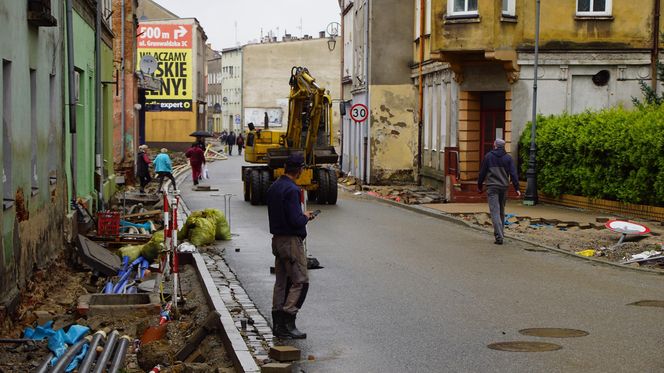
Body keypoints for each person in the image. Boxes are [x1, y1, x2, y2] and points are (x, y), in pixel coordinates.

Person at [266, 154, 316, 339]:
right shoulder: (292, 190)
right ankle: (289, 321)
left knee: (282, 282)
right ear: (300, 170)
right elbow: (295, 220)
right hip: (291, 241)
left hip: (277, 240)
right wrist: (306, 216)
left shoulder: (274, 187)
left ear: (285, 167)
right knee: (301, 281)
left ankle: (277, 323)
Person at [477, 139, 520, 245]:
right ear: (504, 146)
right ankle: (501, 233)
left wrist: (479, 185)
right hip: (504, 187)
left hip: (492, 187)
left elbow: (482, 172)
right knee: (501, 210)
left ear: (495, 145)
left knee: (494, 211)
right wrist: (517, 188)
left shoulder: (488, 157)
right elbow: (513, 174)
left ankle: (499, 236)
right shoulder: (508, 158)